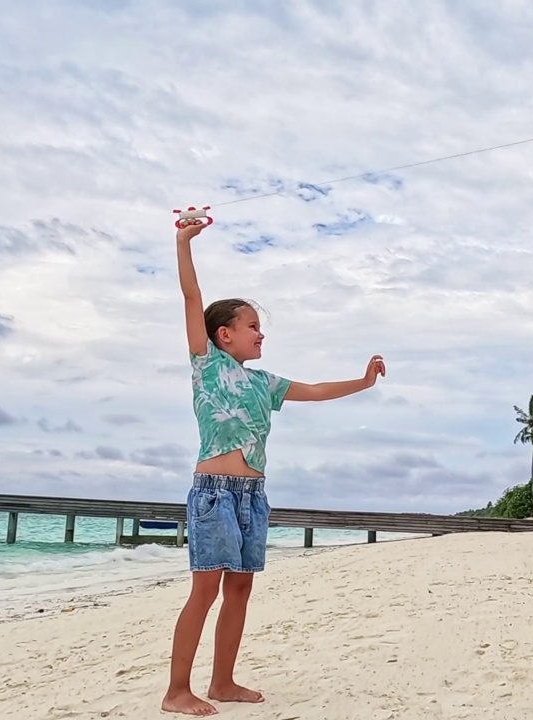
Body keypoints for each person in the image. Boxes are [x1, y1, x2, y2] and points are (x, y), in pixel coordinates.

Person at [161, 217, 387, 716]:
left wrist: (363, 382)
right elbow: (191, 299)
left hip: (252, 496)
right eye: (253, 327)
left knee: (240, 588)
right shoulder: (206, 363)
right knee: (205, 589)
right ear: (224, 335)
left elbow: (315, 390)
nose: (261, 335)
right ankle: (178, 690)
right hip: (215, 492)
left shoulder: (265, 384)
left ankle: (222, 681)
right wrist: (183, 243)